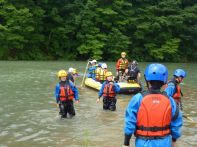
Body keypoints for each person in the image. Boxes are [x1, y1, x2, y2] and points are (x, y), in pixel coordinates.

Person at [124, 63, 182, 147]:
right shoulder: (170, 101)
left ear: (147, 79)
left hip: (143, 143)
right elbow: (176, 122)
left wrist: (126, 143)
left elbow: (130, 121)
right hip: (164, 142)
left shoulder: (138, 98)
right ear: (164, 81)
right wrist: (174, 140)